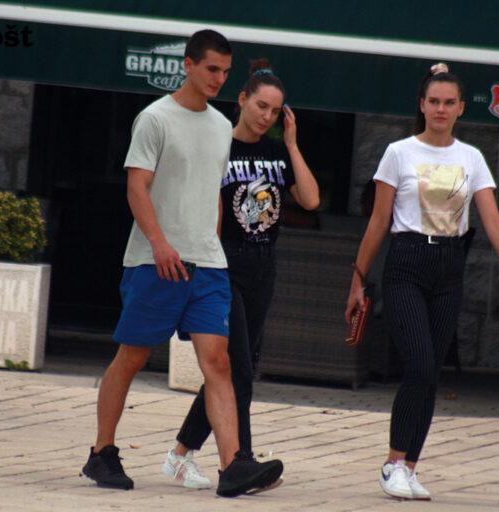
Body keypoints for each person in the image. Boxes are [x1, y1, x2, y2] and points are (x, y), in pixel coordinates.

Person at [81, 30, 283, 498]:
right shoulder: (155, 118)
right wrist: (159, 244)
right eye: (211, 69)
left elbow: (212, 192)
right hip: (155, 262)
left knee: (220, 362)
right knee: (132, 356)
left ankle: (233, 466)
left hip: (208, 266)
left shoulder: (220, 126)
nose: (218, 78)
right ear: (188, 65)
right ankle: (102, 452)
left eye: (225, 72)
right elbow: (137, 186)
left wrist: (213, 246)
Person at [344, 62, 499, 501]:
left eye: (449, 102)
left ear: (461, 107)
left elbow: (492, 219)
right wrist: (358, 279)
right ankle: (392, 463)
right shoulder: (399, 152)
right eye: (434, 101)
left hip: (449, 266)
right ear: (422, 105)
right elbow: (378, 221)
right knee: (420, 364)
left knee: (431, 373)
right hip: (406, 261)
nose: (441, 109)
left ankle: (410, 467)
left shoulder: (471, 157)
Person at [163, 58, 320, 489]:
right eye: (261, 106)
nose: (267, 116)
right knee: (239, 371)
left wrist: (292, 144)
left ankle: (180, 454)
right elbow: (203, 209)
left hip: (264, 266)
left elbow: (310, 200)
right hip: (224, 265)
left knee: (238, 365)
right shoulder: (218, 146)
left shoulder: (277, 152)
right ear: (243, 100)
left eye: (275, 111)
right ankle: (240, 461)